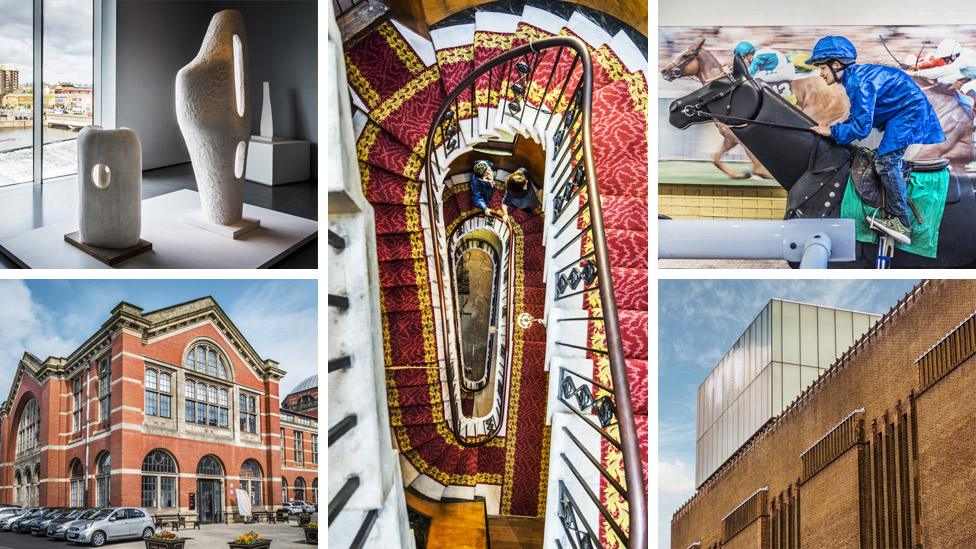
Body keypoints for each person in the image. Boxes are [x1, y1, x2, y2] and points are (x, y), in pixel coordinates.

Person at [806, 35, 945, 245]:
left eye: (822, 68)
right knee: (882, 157)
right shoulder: (853, 78)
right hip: (902, 113)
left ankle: (901, 223)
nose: (821, 73)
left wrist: (832, 132)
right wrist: (835, 129)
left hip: (909, 113)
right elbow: (859, 116)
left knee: (886, 162)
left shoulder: (857, 82)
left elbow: (861, 128)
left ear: (836, 64)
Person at [731, 41, 798, 101]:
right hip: (783, 68)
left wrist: (732, 76)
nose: (742, 62)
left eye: (742, 59)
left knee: (757, 77)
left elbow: (748, 73)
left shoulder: (759, 57)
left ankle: (774, 98)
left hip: (787, 71)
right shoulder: (756, 54)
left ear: (748, 55)